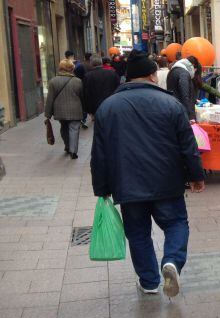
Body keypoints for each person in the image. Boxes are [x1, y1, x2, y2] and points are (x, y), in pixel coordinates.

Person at [91, 50, 205, 297]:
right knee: (175, 223)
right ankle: (172, 261)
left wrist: (102, 188)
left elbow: (99, 153)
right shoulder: (171, 104)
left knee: (138, 233)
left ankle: (149, 281)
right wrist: (196, 175)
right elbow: (188, 145)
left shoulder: (107, 108)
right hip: (167, 181)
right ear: (153, 76)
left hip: (127, 184)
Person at [44, 59, 83, 159]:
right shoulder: (78, 81)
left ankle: (68, 146)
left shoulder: (53, 81)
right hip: (75, 110)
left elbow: (50, 99)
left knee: (64, 128)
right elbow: (82, 96)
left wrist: (48, 114)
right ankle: (73, 151)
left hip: (60, 111)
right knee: (74, 129)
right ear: (71, 69)